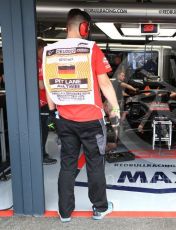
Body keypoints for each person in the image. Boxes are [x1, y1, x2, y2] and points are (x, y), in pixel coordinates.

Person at [42, 9, 120, 222]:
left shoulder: (49, 51)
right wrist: (116, 109)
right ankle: (100, 208)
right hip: (91, 120)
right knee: (95, 163)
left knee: (67, 164)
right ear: (84, 27)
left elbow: (49, 87)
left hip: (64, 119)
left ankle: (65, 212)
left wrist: (51, 113)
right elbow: (104, 83)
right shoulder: (91, 48)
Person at [37, 38, 57, 165]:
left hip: (41, 102)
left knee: (42, 129)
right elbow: (41, 85)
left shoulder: (37, 62)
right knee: (43, 130)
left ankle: (40, 154)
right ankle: (42, 156)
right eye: (44, 49)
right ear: (40, 48)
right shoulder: (39, 63)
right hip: (42, 102)